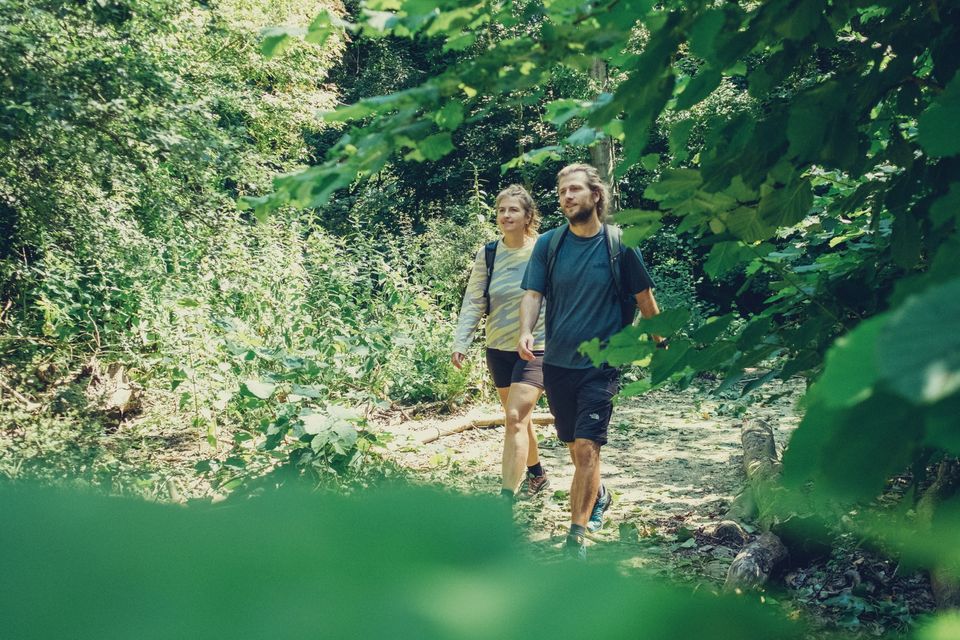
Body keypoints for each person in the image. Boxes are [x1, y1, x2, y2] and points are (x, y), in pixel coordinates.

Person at [518, 163, 663, 558]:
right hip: (558, 363)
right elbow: (532, 294)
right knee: (573, 446)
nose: (566, 197)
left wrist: (661, 340)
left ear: (595, 195)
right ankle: (599, 494)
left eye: (575, 190)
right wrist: (526, 330)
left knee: (586, 449)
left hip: (602, 364)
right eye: (562, 191)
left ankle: (575, 537)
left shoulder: (620, 245)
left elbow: (645, 299)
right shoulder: (550, 244)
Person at [452, 184, 550, 500]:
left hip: (536, 347)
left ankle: (505, 498)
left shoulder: (543, 250)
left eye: (513, 210)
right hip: (498, 347)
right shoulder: (489, 253)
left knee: (514, 418)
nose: (506, 215)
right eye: (501, 210)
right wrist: (461, 342)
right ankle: (538, 476)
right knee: (517, 418)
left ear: (528, 216)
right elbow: (474, 299)